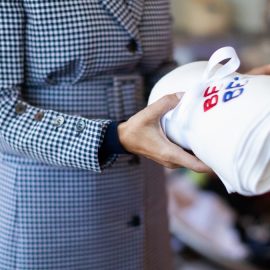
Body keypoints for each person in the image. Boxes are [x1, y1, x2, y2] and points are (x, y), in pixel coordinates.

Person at [0, 1, 269, 269]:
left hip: (144, 197)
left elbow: (158, 74)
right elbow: (4, 111)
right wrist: (113, 138)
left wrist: (228, 95)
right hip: (52, 204)